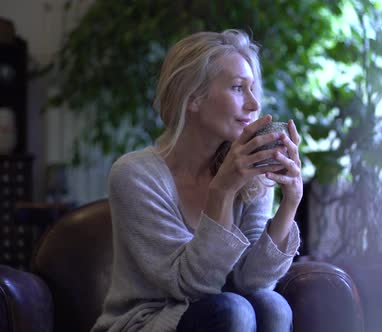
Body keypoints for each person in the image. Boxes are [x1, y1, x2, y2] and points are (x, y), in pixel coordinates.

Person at [91, 29, 302, 332]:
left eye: (253, 88)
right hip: (149, 321)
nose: (255, 105)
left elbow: (252, 282)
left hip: (225, 314)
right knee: (234, 310)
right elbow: (190, 287)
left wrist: (290, 203)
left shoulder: (251, 173)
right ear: (192, 98)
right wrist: (222, 191)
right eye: (238, 88)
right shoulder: (135, 175)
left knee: (271, 304)